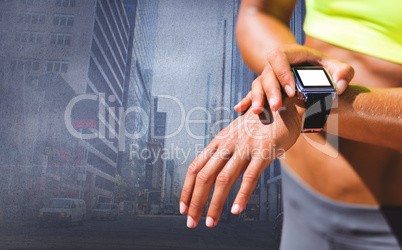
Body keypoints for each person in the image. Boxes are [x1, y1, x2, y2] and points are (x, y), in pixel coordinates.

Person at [180, 0, 402, 248]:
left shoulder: (305, 105)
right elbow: (260, 12)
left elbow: (313, 101)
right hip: (303, 208)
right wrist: (288, 78)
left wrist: (309, 103)